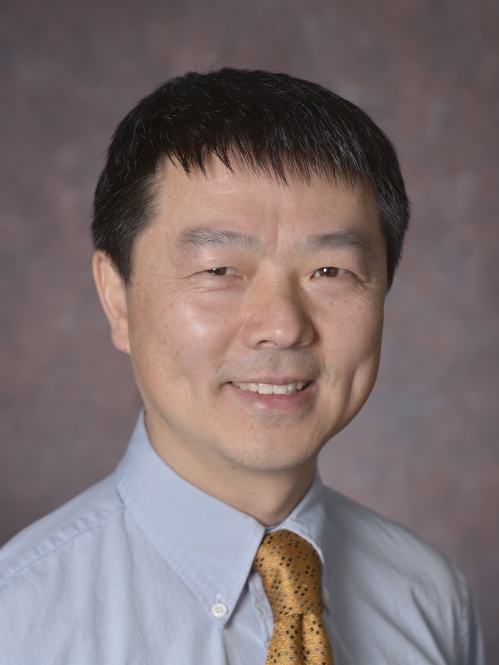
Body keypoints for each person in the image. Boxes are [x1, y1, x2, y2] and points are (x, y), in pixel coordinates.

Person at [0, 68, 484, 664]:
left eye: (330, 272)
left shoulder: (431, 597)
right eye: (219, 270)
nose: (282, 325)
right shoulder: (19, 620)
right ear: (117, 296)